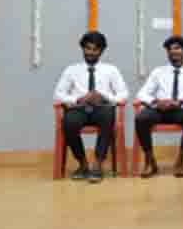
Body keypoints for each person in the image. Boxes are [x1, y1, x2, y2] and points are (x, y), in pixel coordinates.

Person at [53, 31, 129, 183]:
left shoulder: (111, 70)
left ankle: (98, 165)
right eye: (88, 48)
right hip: (79, 108)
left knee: (108, 116)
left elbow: (124, 93)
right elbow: (58, 94)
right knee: (69, 122)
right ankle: (82, 163)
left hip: (101, 108)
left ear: (101, 51)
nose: (91, 52)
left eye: (95, 49)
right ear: (83, 48)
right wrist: (78, 99)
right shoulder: (71, 70)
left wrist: (105, 97)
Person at [136, 35, 183, 178]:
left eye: (177, 48)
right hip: (159, 109)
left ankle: (180, 162)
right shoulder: (158, 71)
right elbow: (141, 93)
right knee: (141, 118)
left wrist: (182, 101)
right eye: (169, 49)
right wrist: (156, 101)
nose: (173, 52)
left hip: (179, 109)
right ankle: (150, 162)